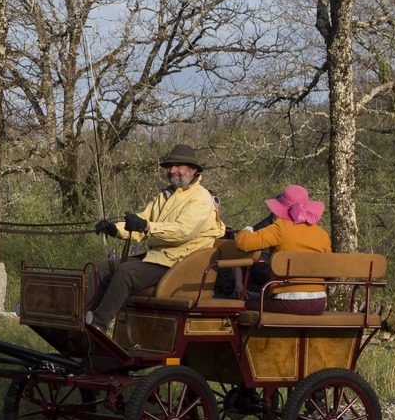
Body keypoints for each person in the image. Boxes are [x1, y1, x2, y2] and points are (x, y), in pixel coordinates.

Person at [85, 143, 225, 334]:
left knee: (126, 273)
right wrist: (114, 229)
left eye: (178, 166)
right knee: (99, 269)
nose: (172, 170)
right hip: (158, 257)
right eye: (170, 166)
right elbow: (141, 221)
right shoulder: (164, 196)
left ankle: (98, 326)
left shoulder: (200, 198)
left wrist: (146, 226)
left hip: (180, 262)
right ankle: (81, 317)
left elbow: (182, 231)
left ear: (193, 171)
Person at [233, 184, 331, 314]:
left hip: (286, 301)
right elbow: (330, 270)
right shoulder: (322, 234)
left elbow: (242, 243)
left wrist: (247, 229)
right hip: (318, 304)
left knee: (242, 305)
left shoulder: (280, 227)